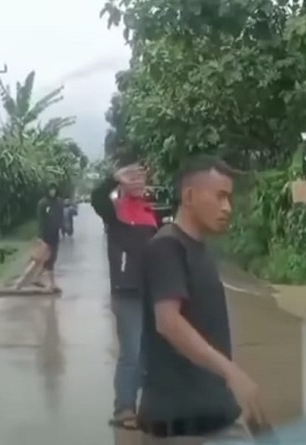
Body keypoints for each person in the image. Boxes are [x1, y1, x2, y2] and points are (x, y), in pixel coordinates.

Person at [138, 156, 264, 444]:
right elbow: (168, 322)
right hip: (182, 425)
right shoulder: (167, 246)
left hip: (214, 415)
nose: (227, 208)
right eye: (220, 197)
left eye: (229, 199)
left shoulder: (199, 248)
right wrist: (231, 372)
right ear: (190, 195)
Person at [91, 160, 158, 430]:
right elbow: (97, 198)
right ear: (123, 181)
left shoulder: (152, 210)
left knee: (147, 353)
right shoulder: (114, 210)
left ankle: (146, 405)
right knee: (131, 352)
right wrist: (113, 178)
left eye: (141, 176)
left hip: (152, 289)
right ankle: (124, 409)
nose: (137, 181)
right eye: (131, 176)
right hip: (126, 291)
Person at [36, 182, 64, 292]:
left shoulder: (58, 202)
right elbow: (40, 221)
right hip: (45, 234)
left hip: (55, 234)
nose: (52, 192)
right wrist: (40, 236)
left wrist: (61, 227)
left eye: (54, 189)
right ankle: (52, 284)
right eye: (50, 189)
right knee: (49, 259)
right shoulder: (43, 203)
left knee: (52, 258)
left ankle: (37, 277)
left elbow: (60, 216)